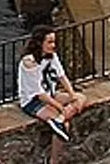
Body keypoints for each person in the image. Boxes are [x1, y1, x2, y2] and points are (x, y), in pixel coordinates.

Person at [18, 25, 86, 162]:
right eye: (49, 42)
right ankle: (53, 161)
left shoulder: (52, 57)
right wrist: (60, 108)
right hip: (33, 101)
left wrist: (72, 96)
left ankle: (60, 119)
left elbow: (62, 76)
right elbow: (39, 93)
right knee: (64, 126)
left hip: (51, 94)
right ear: (39, 43)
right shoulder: (29, 62)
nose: (53, 45)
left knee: (81, 97)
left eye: (54, 42)